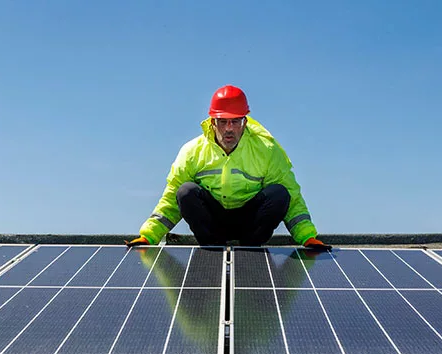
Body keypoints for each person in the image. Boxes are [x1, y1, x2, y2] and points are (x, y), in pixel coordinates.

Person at [126, 85, 330, 250]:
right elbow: (171, 198)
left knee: (279, 193)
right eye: (223, 122)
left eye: (235, 121)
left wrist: (307, 236)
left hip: (250, 224)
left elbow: (292, 196)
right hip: (212, 225)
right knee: (186, 191)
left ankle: (250, 249)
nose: (229, 128)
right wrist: (149, 236)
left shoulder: (267, 149)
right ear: (212, 122)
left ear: (245, 121)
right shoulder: (192, 152)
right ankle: (213, 249)